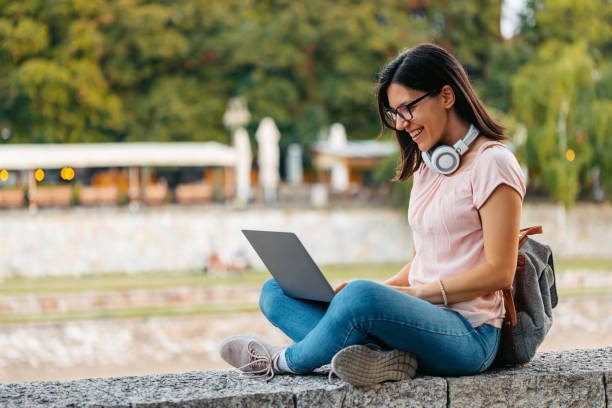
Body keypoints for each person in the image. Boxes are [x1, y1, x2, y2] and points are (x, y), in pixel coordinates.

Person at [219, 43, 526, 386]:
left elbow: (500, 271)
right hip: (417, 319)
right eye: (396, 113)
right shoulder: (427, 168)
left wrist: (405, 296)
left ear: (447, 96)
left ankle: (284, 360)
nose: (401, 123)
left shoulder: (493, 163)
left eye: (407, 108)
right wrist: (381, 292)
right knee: (275, 292)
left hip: (469, 334)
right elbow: (424, 261)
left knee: (360, 297)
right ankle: (380, 360)